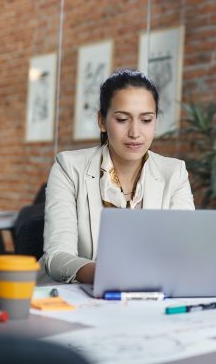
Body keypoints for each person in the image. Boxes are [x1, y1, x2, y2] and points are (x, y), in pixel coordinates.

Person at [41, 69, 194, 284]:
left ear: (156, 122)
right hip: (77, 296)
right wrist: (108, 275)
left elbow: (183, 251)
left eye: (146, 120)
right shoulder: (68, 167)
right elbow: (56, 257)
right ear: (102, 121)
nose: (135, 132)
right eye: (122, 119)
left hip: (148, 295)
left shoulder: (174, 173)